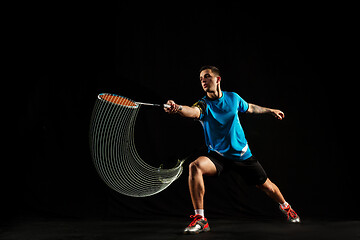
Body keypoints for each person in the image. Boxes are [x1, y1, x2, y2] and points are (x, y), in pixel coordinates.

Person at [164, 66, 300, 234]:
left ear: (218, 79)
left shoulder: (233, 98)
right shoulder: (203, 105)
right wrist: (177, 108)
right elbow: (192, 111)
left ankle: (286, 207)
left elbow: (249, 107)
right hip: (219, 157)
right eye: (201, 79)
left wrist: (270, 111)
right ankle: (201, 219)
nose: (203, 81)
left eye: (206, 77)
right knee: (195, 166)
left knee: (268, 187)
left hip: (242, 156)